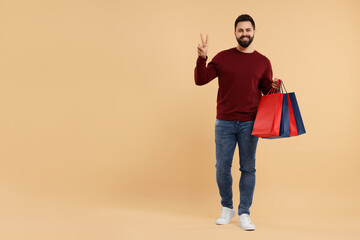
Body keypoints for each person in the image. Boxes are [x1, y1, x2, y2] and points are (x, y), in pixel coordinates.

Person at [194, 14, 279, 231]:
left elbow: (267, 91)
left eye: (248, 30)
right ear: (235, 33)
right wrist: (202, 58)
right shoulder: (222, 58)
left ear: (254, 32)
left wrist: (275, 87)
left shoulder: (263, 61)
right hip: (224, 122)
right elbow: (200, 80)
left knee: (248, 168)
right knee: (222, 168)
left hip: (251, 123)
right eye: (240, 30)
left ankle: (244, 213)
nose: (244, 34)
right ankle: (227, 207)